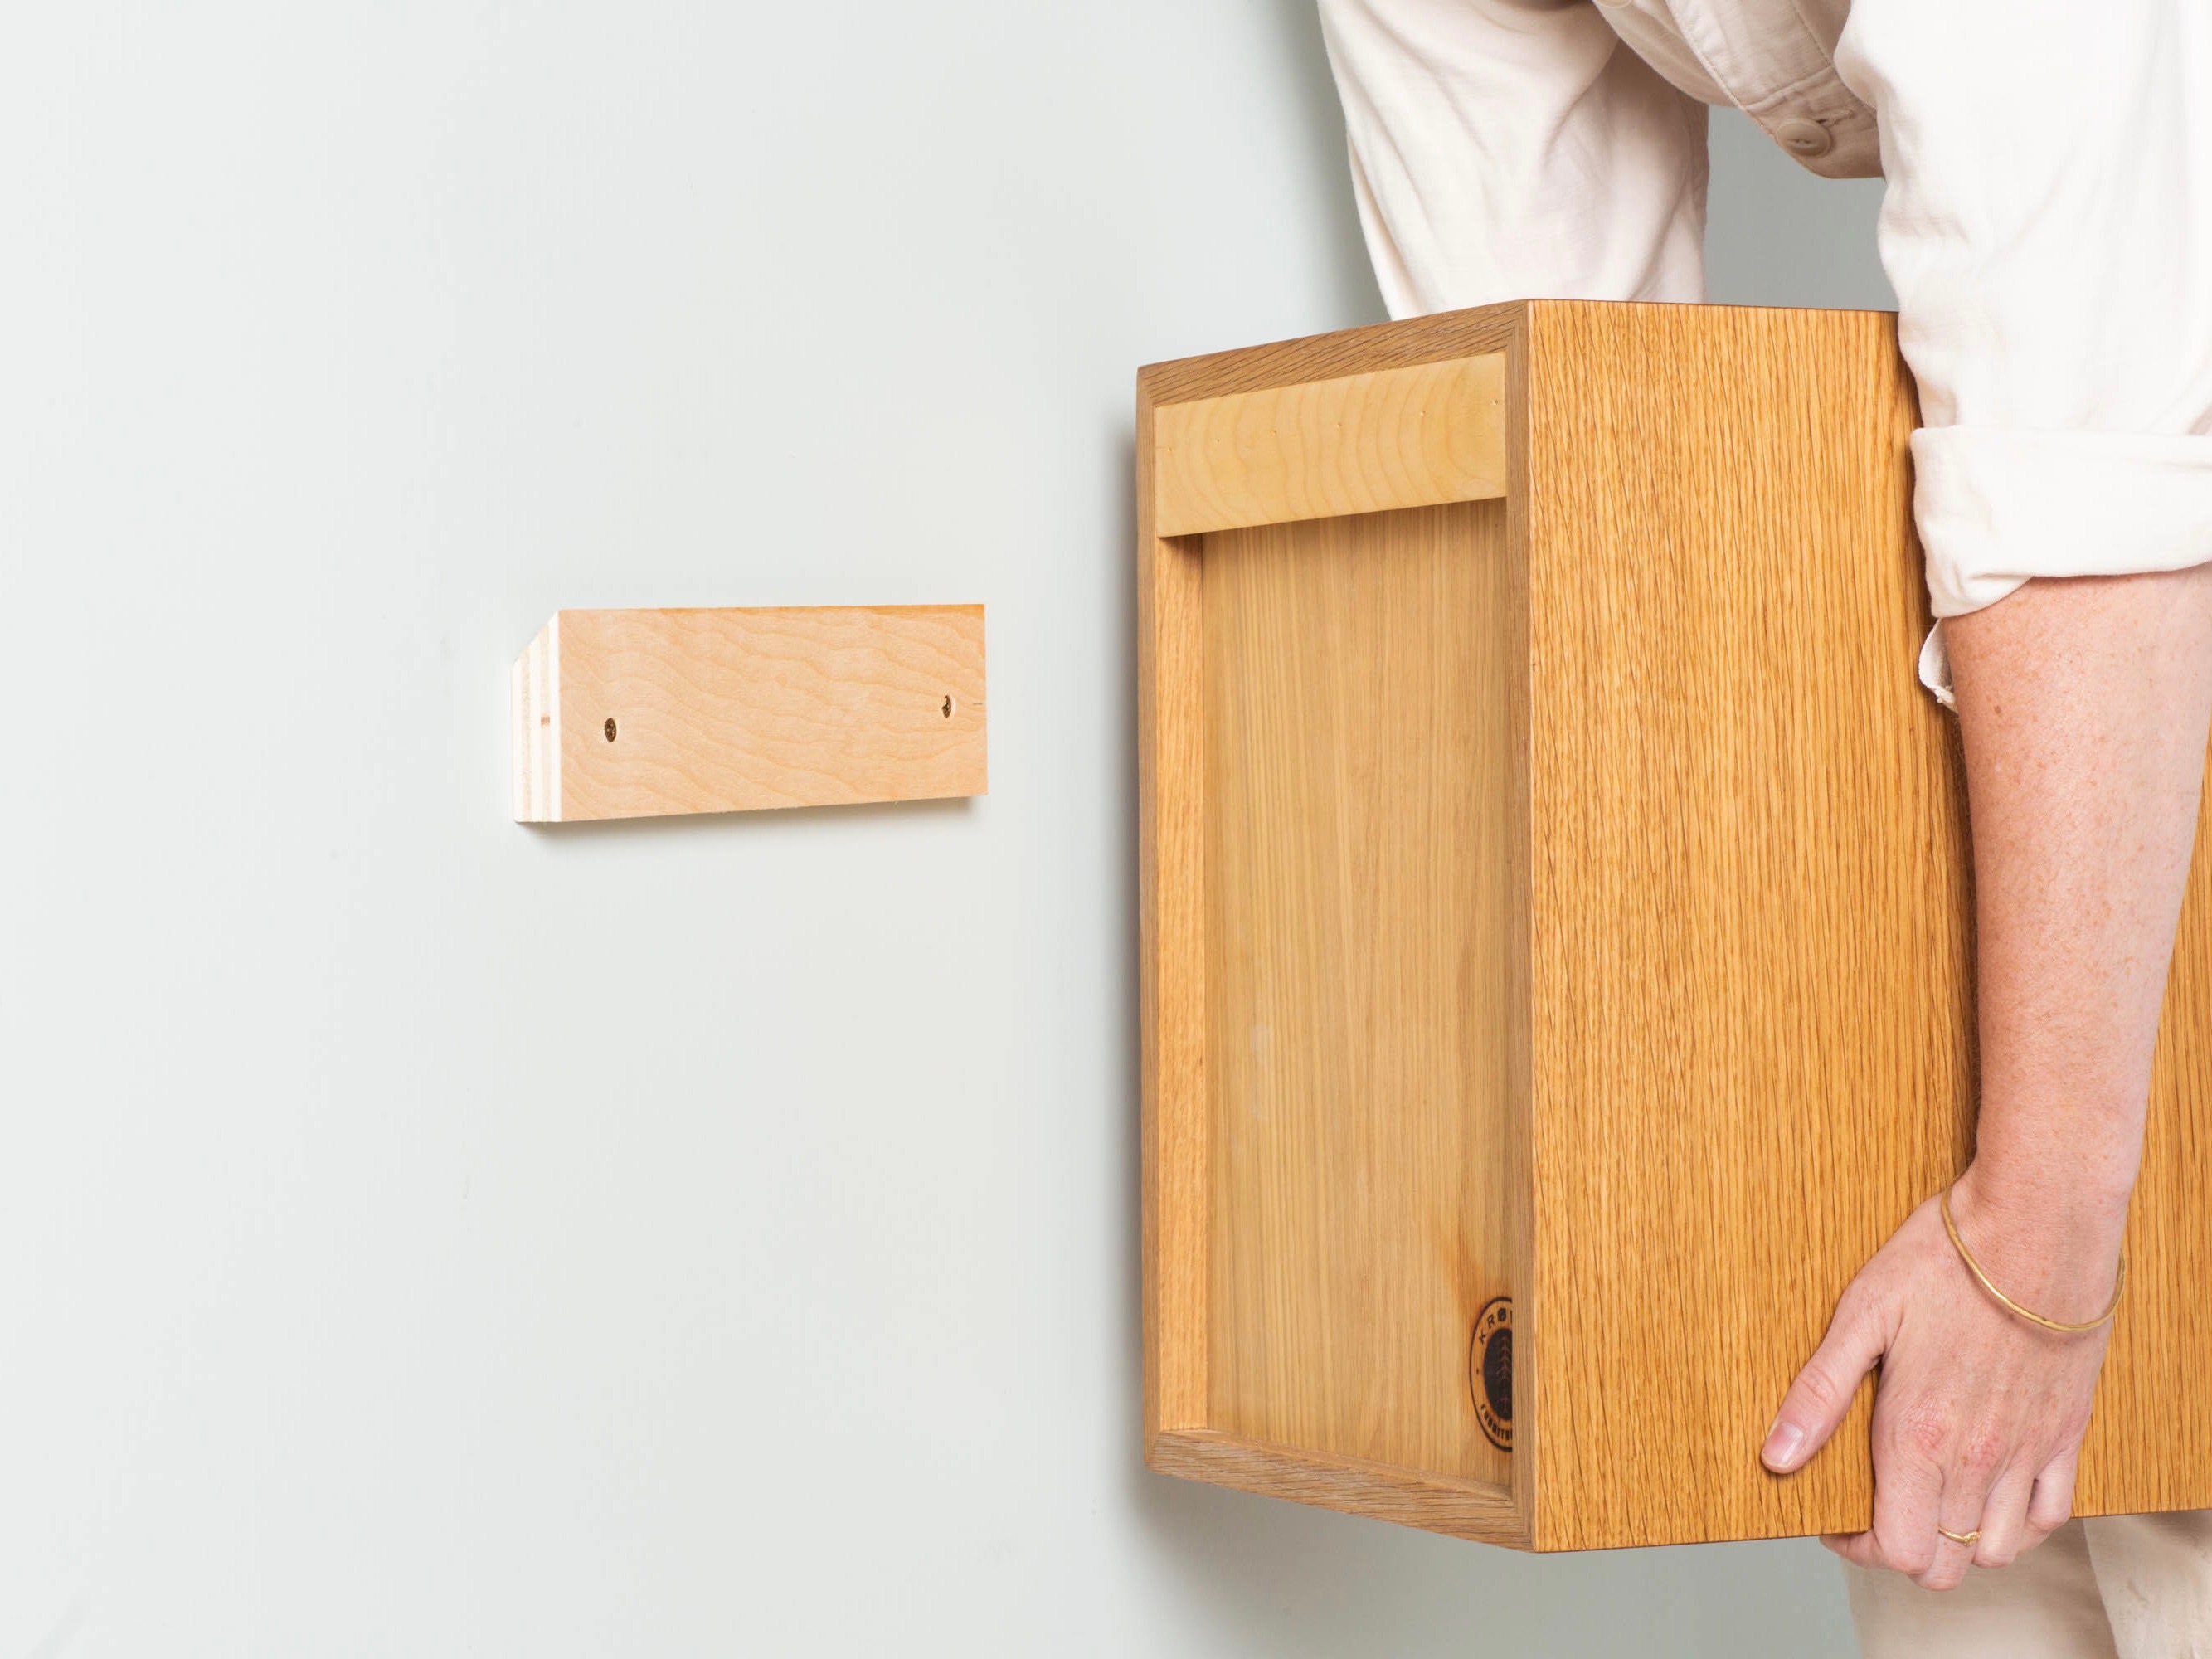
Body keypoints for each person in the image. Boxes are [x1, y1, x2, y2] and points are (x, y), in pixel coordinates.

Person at [1314, 2, 2212, 1652]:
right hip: (2057, 729)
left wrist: (2035, 1244)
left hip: (2145, 545)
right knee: (1968, 1552)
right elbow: (1583, 456)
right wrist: (1708, 1198)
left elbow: (2090, 460)